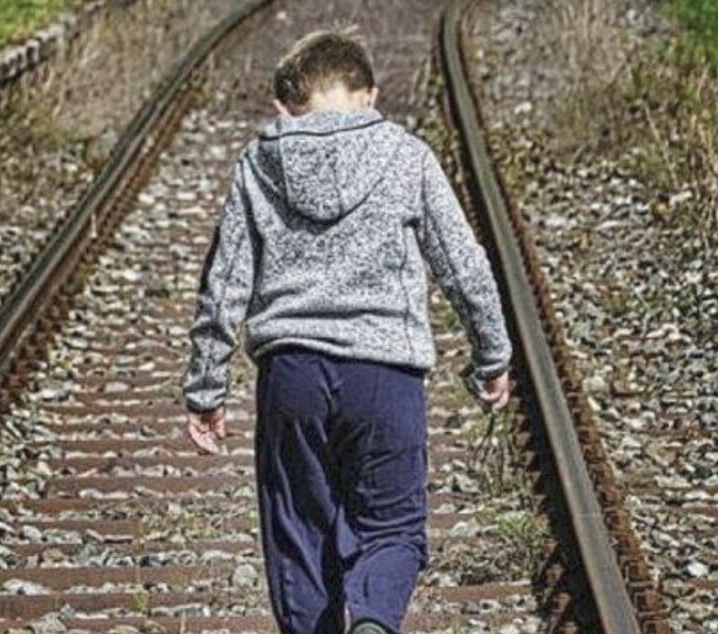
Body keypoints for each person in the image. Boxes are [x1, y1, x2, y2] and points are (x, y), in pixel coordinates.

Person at [181, 30, 512, 634]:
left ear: (286, 104)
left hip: (292, 375)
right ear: (371, 95)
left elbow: (224, 279)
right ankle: (376, 621)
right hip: (386, 374)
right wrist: (491, 355)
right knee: (393, 527)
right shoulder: (406, 155)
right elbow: (464, 265)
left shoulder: (260, 162)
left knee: (299, 535)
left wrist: (206, 387)